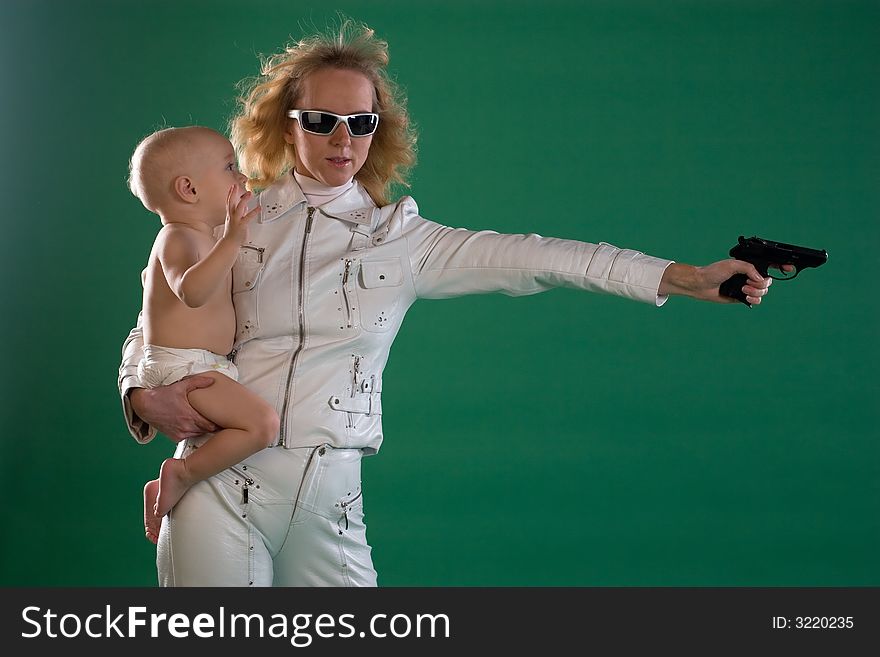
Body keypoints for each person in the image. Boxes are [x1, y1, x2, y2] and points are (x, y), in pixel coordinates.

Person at [118, 20, 779, 586]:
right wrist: (142, 397)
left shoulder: (403, 240)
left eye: (361, 123)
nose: (342, 140)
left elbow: (545, 257)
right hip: (215, 482)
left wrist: (687, 277)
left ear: (381, 130)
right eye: (320, 121)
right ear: (284, 126)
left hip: (329, 495)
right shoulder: (234, 219)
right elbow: (157, 321)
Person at [127, 126, 280, 544]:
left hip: (202, 364)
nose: (242, 179)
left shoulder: (203, 237)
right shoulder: (175, 238)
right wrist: (232, 238)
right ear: (188, 189)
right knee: (262, 425)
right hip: (181, 367)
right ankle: (180, 474)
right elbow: (192, 292)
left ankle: (175, 481)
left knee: (246, 430)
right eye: (230, 168)